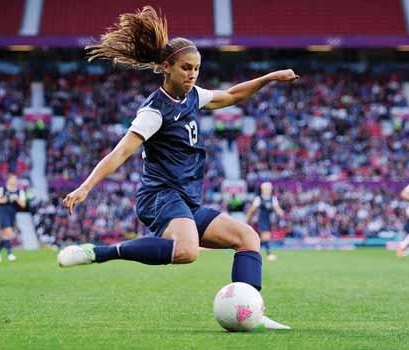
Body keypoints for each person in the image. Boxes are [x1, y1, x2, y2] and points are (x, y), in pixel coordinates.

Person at [57, 6, 298, 329]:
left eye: (196, 69)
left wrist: (269, 78)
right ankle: (98, 252)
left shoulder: (192, 96)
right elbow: (119, 153)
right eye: (186, 68)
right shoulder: (154, 111)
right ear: (166, 67)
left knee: (247, 237)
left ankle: (250, 309)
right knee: (187, 251)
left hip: (185, 199)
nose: (193, 74)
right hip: (159, 195)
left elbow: (231, 96)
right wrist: (85, 187)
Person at [245, 182, 284, 261]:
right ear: (262, 189)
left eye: (269, 189)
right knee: (266, 235)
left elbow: (277, 208)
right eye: (266, 189)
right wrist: (247, 219)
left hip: (269, 220)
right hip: (262, 220)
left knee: (263, 238)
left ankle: (250, 251)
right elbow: (252, 210)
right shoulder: (259, 199)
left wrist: (280, 212)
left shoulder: (273, 198)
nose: (268, 190)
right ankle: (269, 254)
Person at [0, 174, 26, 262]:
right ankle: (9, 253)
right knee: (8, 232)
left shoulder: (19, 191)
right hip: (3, 212)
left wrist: (16, 199)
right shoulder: (2, 189)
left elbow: (23, 204)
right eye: (13, 179)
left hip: (12, 213)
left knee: (6, 235)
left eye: (16, 179)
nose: (15, 181)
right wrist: (6, 199)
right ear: (8, 180)